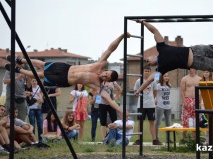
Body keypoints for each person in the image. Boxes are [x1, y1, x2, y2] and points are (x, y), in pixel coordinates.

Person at [0, 33, 130, 115]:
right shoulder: (99, 64)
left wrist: (121, 111)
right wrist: (122, 36)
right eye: (106, 73)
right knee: (42, 65)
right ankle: (20, 60)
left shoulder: (98, 86)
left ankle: (18, 70)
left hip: (64, 80)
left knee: (39, 75)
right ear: (106, 70)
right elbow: (110, 49)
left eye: (106, 77)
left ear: (107, 80)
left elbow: (110, 100)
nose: (104, 75)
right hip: (65, 67)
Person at [134, 20, 213, 93]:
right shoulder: (160, 70)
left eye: (147, 60)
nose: (148, 62)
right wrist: (139, 90)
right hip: (196, 63)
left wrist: (143, 22)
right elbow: (150, 80)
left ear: (151, 56)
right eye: (147, 63)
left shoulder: (161, 47)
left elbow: (155, 31)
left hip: (195, 50)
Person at [133, 65, 162, 145]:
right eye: (145, 71)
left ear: (150, 72)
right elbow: (136, 91)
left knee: (152, 122)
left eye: (148, 71)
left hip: (151, 105)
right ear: (143, 72)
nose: (147, 72)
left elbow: (155, 91)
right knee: (140, 122)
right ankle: (139, 139)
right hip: (141, 105)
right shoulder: (139, 81)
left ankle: (155, 140)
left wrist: (152, 99)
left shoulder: (153, 81)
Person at [180, 68, 201, 142]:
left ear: (195, 69)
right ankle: (184, 138)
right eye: (189, 69)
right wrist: (184, 101)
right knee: (185, 119)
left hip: (196, 99)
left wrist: (200, 102)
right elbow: (182, 91)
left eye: (192, 68)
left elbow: (201, 91)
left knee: (196, 119)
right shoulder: (184, 78)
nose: (191, 70)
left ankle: (194, 139)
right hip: (187, 99)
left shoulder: (199, 79)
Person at [155, 73, 172, 143]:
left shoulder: (169, 86)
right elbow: (154, 93)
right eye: (165, 76)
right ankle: (156, 138)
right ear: (162, 77)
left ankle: (168, 139)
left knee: (168, 123)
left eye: (167, 76)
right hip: (160, 106)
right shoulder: (158, 86)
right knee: (158, 123)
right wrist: (155, 99)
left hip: (168, 106)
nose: (166, 77)